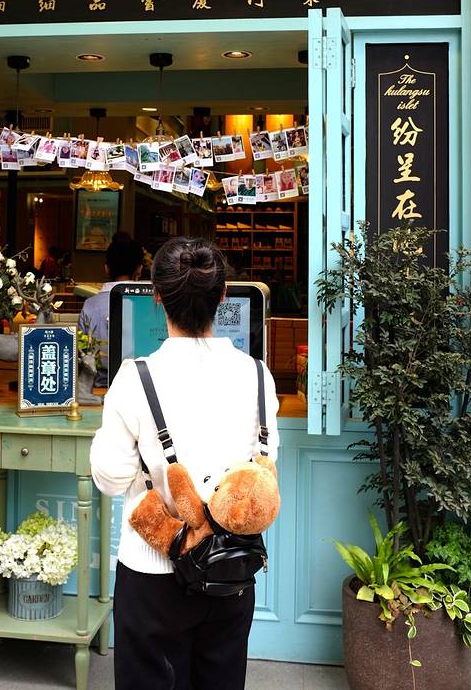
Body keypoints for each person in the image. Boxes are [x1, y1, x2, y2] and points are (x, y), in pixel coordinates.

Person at [90, 238, 279, 690]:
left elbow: (110, 478)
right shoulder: (258, 375)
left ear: (156, 296)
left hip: (151, 571)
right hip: (230, 568)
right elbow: (265, 466)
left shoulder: (134, 378)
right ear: (223, 295)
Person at [77, 231, 144, 387]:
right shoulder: (149, 303)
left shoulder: (90, 305)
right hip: (140, 387)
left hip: (99, 387)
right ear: (139, 269)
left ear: (106, 269)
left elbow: (82, 353)